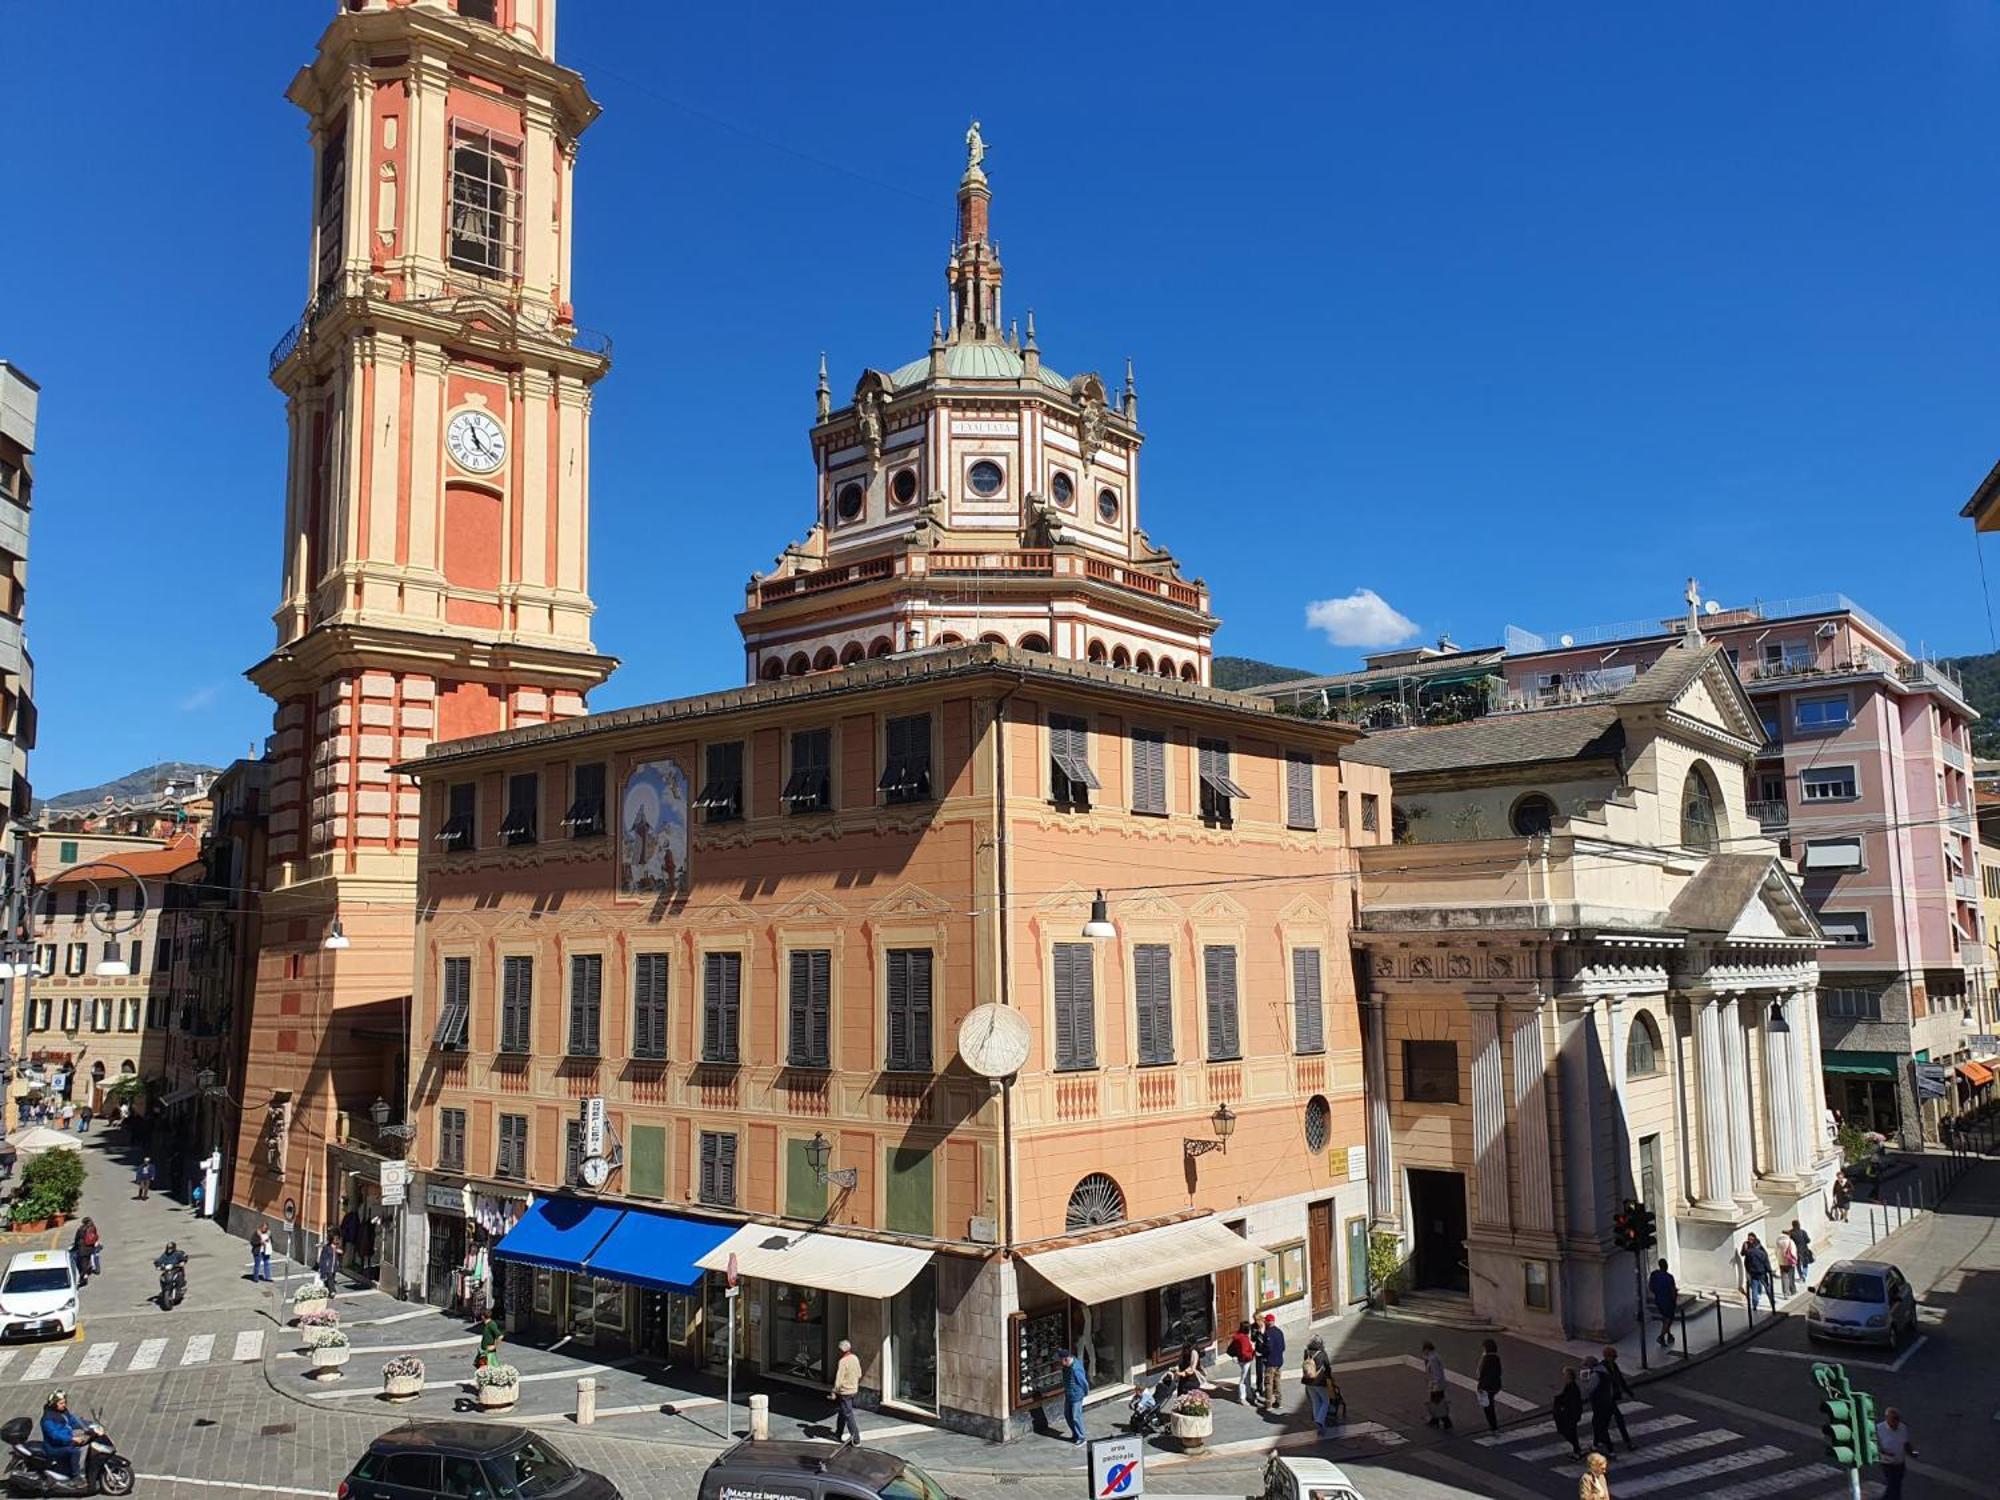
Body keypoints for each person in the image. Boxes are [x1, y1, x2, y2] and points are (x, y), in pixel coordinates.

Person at [40, 1391, 93, 1482]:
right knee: (75, 1452)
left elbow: (73, 1421)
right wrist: (71, 1439)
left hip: (65, 1441)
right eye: (61, 1403)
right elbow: (55, 1435)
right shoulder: (47, 1419)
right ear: (53, 1404)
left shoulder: (63, 1412)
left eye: (64, 1402)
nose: (64, 1405)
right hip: (55, 1446)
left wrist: (89, 1425)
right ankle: (76, 1476)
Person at [1599, 1347, 1634, 1451]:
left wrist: (1629, 1392)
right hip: (1607, 1399)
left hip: (1611, 1398)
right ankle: (1627, 1442)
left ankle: (1599, 1439)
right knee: (1619, 1420)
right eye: (1614, 1356)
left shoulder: (1613, 1365)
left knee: (1606, 1421)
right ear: (1607, 1356)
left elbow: (1621, 1380)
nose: (1616, 1357)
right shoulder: (1602, 1368)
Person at [1875, 1406, 1915, 1499]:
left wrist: (1912, 1452)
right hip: (1887, 1463)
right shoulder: (1879, 1429)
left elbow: (1905, 1443)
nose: (1896, 1422)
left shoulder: (1902, 1427)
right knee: (1893, 1485)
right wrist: (1884, 1452)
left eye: (1898, 1419)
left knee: (1896, 1485)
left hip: (1900, 1463)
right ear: (1887, 1419)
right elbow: (1874, 1446)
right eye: (1894, 1419)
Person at [1301, 1335, 1337, 1435]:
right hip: (1319, 1381)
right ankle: (1320, 1421)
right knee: (1326, 1401)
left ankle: (1318, 1422)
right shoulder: (1322, 1354)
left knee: (1315, 1402)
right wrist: (1330, 1378)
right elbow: (1328, 1367)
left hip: (1307, 1381)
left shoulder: (1306, 1352)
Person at [830, 1338, 862, 1446]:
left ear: (841, 1350)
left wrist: (834, 1391)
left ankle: (856, 1438)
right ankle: (838, 1433)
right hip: (854, 1389)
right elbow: (859, 1374)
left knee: (848, 1414)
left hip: (845, 1391)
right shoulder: (855, 1358)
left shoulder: (843, 1362)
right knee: (842, 1411)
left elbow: (839, 1379)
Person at [1552, 1369, 1585, 1460]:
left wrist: (1559, 1402)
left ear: (1569, 1377)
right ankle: (1577, 1449)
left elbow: (1569, 1401)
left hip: (1570, 1414)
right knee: (1571, 1432)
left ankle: (1577, 1450)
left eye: (1565, 1375)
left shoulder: (1572, 1387)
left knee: (1568, 1432)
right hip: (1572, 1414)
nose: (1563, 1377)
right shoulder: (1570, 1386)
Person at [1420, 1340, 1451, 1431]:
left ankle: (1446, 1421)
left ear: (1427, 1349)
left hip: (1437, 1385)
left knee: (1438, 1404)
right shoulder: (1433, 1356)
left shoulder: (1433, 1359)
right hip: (1438, 1384)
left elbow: (1436, 1374)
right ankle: (1435, 1420)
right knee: (1436, 1403)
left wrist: (1434, 1386)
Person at [1475, 1338, 1503, 1433]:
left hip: (1486, 1386)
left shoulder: (1486, 1359)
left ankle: (1493, 1427)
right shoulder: (1496, 1358)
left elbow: (1480, 1373)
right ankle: (1493, 1426)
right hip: (1495, 1385)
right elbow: (1499, 1372)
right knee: (1490, 1405)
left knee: (1487, 1407)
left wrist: (1480, 1386)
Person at [1226, 1320, 1258, 1404]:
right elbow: (1244, 1352)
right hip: (1246, 1360)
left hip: (1242, 1360)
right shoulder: (1243, 1338)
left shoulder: (1238, 1336)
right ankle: (1242, 1398)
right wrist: (1252, 1354)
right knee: (1243, 1379)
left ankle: (1249, 1394)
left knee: (1247, 1378)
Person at [1060, 1350, 1088, 1446]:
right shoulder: (1066, 1366)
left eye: (1062, 1361)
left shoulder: (1076, 1369)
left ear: (1066, 1359)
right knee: (1067, 1414)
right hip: (1069, 1394)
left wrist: (1085, 1393)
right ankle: (1075, 1434)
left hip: (1076, 1395)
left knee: (1076, 1416)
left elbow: (1083, 1382)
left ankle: (1082, 1437)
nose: (1061, 1363)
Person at [1648, 1259, 1678, 1348]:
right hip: (1668, 1300)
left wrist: (1657, 1293)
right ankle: (1661, 1336)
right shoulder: (1669, 1277)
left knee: (1665, 1318)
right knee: (1669, 1318)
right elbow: (1673, 1290)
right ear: (1666, 1266)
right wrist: (1674, 1300)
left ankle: (1669, 1334)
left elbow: (1650, 1286)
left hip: (1658, 1299)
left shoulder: (1654, 1275)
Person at [1259, 1314, 1287, 1409]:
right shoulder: (1280, 1332)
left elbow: (1268, 1348)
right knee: (1277, 1381)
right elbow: (1283, 1347)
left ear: (1267, 1322)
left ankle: (1268, 1404)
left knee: (1268, 1383)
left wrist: (1262, 1353)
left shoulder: (1268, 1333)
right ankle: (1279, 1402)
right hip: (1279, 1361)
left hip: (1270, 1362)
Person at [1741, 1234, 1773, 1313]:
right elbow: (1766, 1262)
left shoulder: (1749, 1252)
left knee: (1754, 1289)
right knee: (1767, 1287)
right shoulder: (1762, 1253)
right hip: (1762, 1272)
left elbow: (1746, 1263)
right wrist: (1769, 1271)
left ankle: (1755, 1305)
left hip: (1753, 1273)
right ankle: (1772, 1302)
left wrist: (1749, 1270)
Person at [1778, 1232, 1799, 1298]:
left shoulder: (1778, 1241)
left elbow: (1776, 1251)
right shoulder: (1790, 1241)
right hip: (1789, 1262)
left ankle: (1785, 1293)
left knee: (1784, 1278)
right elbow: (1793, 1251)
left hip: (1781, 1262)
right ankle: (1792, 1290)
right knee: (1791, 1276)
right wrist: (1795, 1260)